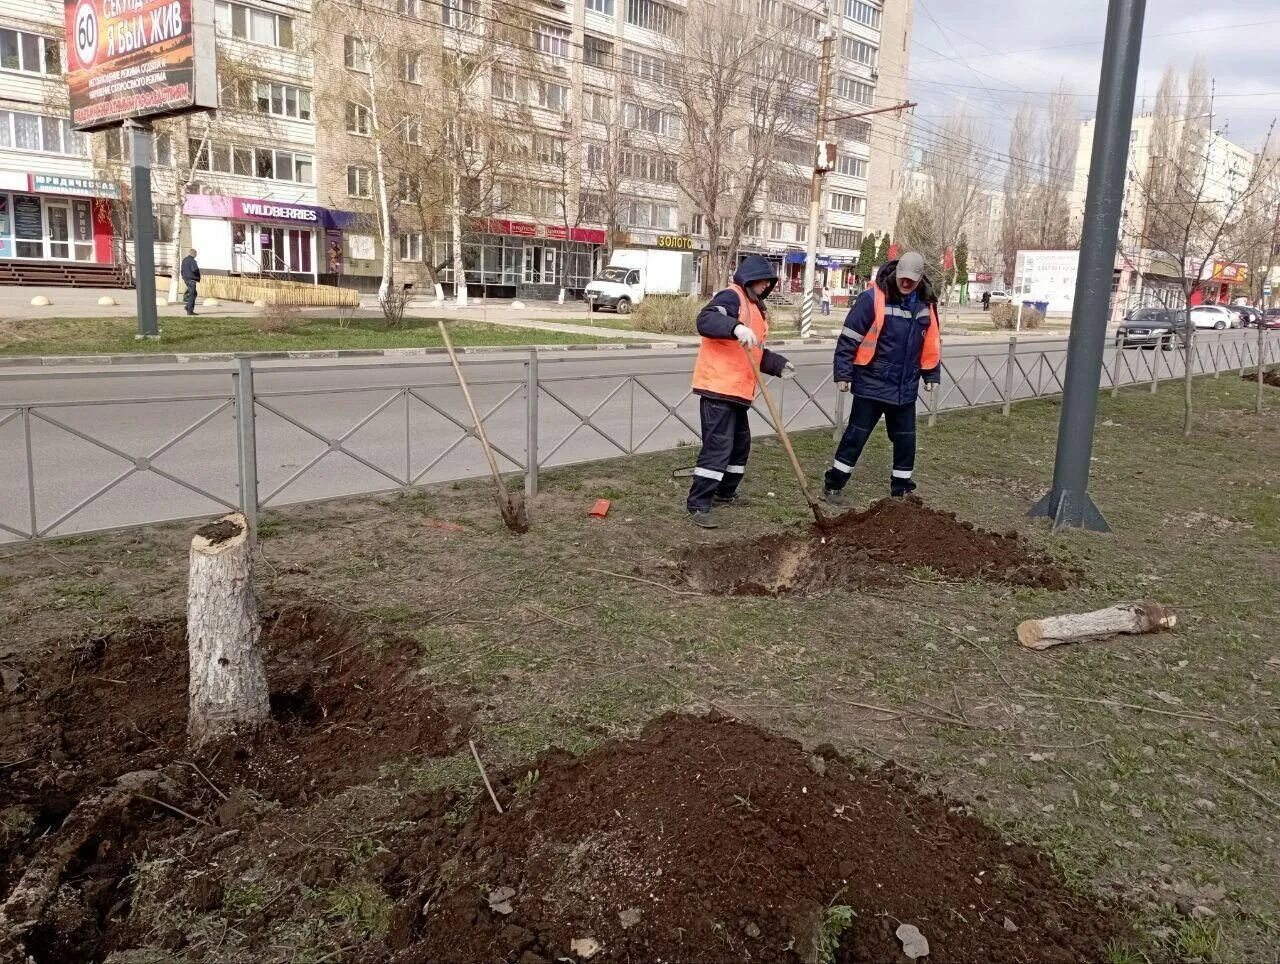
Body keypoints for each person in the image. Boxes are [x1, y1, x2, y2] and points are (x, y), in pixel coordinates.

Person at [686, 255, 796, 529]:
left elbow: (752, 351)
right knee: (718, 448)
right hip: (718, 388)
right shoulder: (731, 297)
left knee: (739, 446)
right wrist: (734, 326)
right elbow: (706, 320)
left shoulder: (755, 308)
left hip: (736, 392)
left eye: (768, 283)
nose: (765, 287)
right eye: (762, 282)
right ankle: (699, 503)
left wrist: (777, 364)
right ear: (751, 279)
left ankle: (725, 492)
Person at [823, 251, 941, 504]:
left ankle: (902, 490)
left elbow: (930, 344)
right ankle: (834, 484)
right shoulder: (872, 298)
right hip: (871, 384)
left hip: (905, 388)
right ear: (897, 273)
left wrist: (931, 374)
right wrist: (843, 372)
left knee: (906, 441)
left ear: (920, 278)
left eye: (912, 279)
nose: (906, 283)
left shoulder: (926, 305)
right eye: (903, 278)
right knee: (856, 437)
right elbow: (849, 338)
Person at [181, 249, 201, 316]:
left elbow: (182, 270)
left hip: (186, 279)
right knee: (192, 295)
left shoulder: (184, 260)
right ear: (194, 254)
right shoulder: (192, 261)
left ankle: (187, 307)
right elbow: (195, 269)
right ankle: (190, 311)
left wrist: (184, 277)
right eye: (196, 254)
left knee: (194, 293)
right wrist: (198, 276)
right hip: (192, 279)